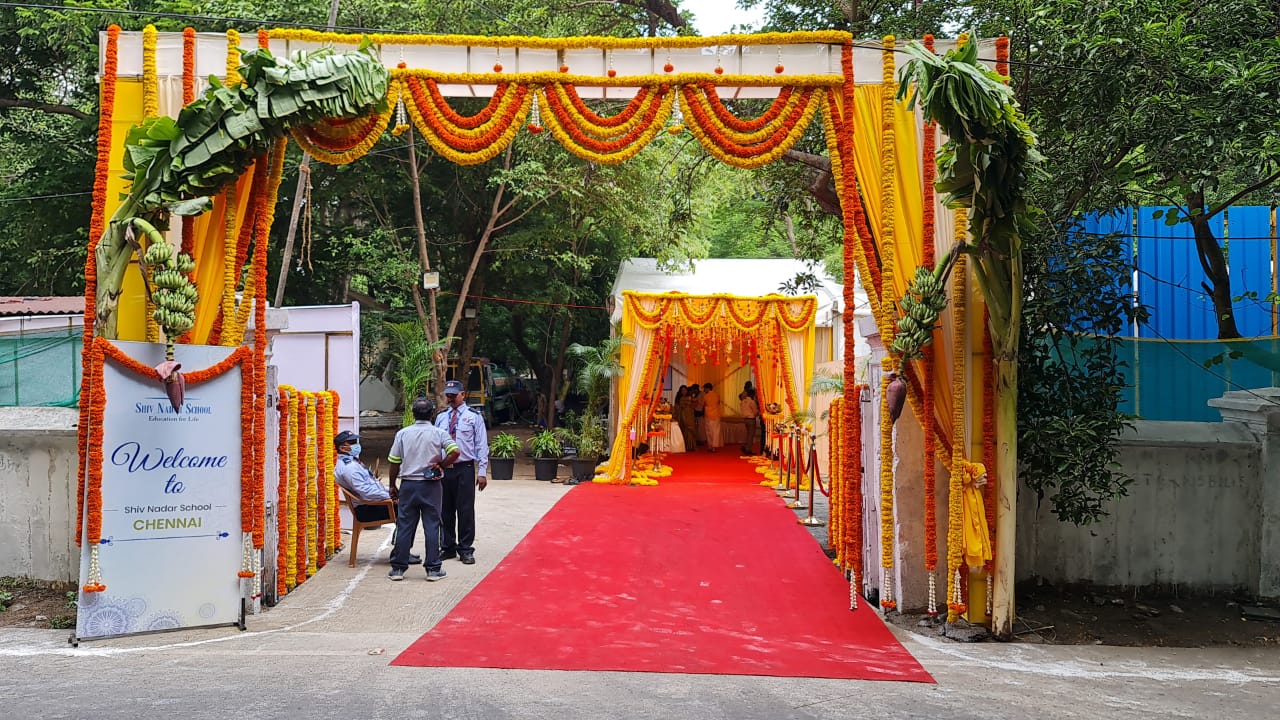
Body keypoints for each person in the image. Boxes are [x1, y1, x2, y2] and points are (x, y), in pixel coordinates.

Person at [387, 398, 460, 581]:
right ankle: (433, 569)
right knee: (432, 525)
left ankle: (398, 569)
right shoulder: (438, 433)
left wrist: (391, 484)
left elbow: (394, 461)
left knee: (405, 525)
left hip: (409, 485)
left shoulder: (403, 434)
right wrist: (441, 465)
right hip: (431, 485)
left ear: (413, 414)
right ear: (432, 413)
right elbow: (456, 452)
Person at [333, 430, 419, 563]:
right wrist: (392, 498)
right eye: (352, 442)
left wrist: (392, 492)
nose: (356, 444)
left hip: (372, 503)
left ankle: (401, 549)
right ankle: (400, 553)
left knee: (408, 503)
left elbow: (372, 486)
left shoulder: (352, 463)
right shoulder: (349, 468)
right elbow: (367, 493)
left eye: (356, 441)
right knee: (410, 509)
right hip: (368, 509)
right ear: (342, 448)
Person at [435, 379, 489, 565]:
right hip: (444, 469)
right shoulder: (441, 417)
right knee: (445, 510)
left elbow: (481, 445)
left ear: (463, 395)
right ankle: (448, 547)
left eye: (453, 395)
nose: (450, 399)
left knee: (465, 510)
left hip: (464, 468)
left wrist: (482, 471)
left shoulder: (474, 416)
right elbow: (435, 443)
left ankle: (465, 549)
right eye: (447, 395)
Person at [702, 382, 722, 452]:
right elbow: (718, 403)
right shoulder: (717, 395)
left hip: (708, 415)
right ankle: (714, 447)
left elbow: (703, 404)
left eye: (704, 388)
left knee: (708, 431)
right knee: (715, 431)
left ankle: (710, 446)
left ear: (707, 388)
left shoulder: (705, 396)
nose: (704, 390)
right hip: (716, 415)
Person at [740, 388, 760, 455]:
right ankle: (748, 449)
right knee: (751, 435)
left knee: (748, 434)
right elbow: (755, 412)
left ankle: (745, 446)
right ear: (752, 395)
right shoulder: (752, 402)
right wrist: (759, 413)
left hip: (745, 419)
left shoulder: (743, 401)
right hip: (751, 419)